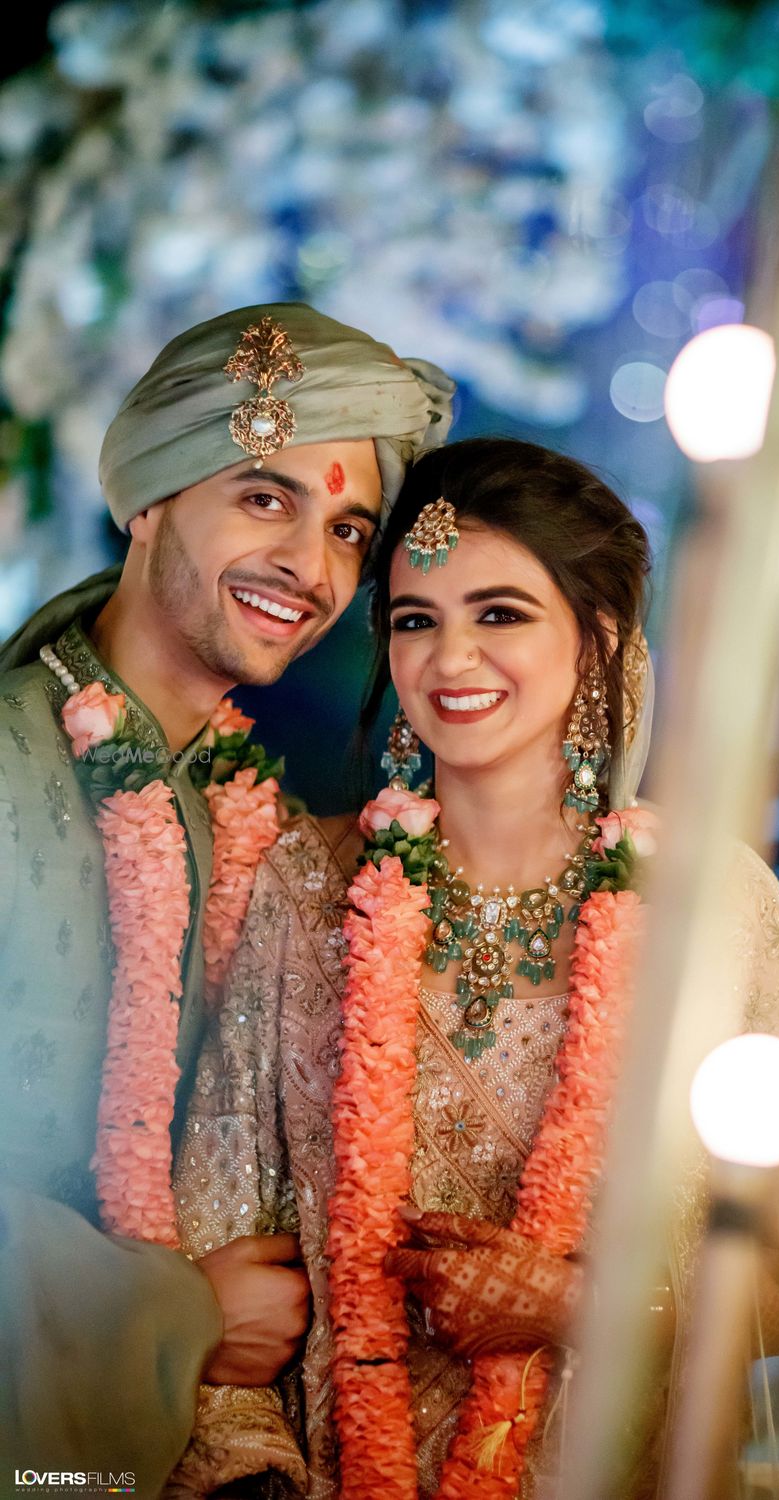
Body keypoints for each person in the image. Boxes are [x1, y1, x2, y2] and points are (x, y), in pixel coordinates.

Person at [174, 437, 779, 1498]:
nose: (450, 660)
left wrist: (589, 1307)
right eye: (415, 620)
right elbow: (221, 1253)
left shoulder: (708, 911)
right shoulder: (309, 887)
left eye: (501, 614)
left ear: (600, 641)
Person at [0, 303, 453, 1495]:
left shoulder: (257, 812)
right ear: (148, 498)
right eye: (265, 498)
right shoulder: (5, 767)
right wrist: (181, 1314)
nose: (312, 569)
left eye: (349, 528)